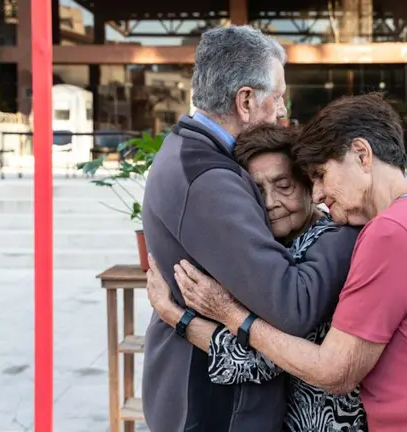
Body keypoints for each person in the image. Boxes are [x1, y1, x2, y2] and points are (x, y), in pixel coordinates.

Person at [162, 93, 407, 432]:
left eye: (321, 175)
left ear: (362, 155)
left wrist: (227, 314)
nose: (321, 194)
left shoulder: (392, 231)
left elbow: (333, 371)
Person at [140, 26, 359, 432]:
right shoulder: (207, 175)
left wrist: (181, 317)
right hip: (212, 403)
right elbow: (288, 307)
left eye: (283, 185)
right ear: (245, 100)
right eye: (277, 98)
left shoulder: (193, 154)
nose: (280, 111)